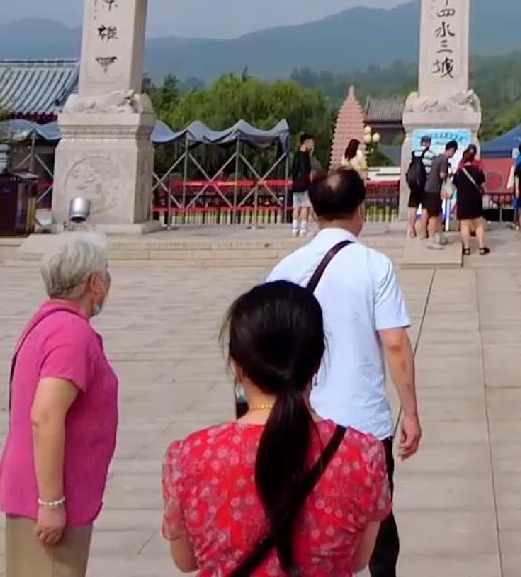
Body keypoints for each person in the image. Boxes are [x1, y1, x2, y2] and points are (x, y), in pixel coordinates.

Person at [161, 280, 394, 577]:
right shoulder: (362, 454)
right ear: (318, 360)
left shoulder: (191, 456)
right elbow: (359, 558)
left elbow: (186, 560)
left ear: (236, 364)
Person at [263, 168, 422, 577]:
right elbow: (395, 343)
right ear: (361, 210)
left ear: (314, 210)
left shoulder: (284, 269)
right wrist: (412, 413)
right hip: (363, 422)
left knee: (302, 517)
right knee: (377, 519)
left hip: (299, 418)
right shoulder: (374, 266)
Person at [1, 231, 120, 576]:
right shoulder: (71, 333)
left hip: (40, 489)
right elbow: (46, 416)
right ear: (93, 283)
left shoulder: (50, 323)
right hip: (49, 496)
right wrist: (51, 503)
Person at [452, 143, 488, 256]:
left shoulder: (458, 173)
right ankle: (482, 247)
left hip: (463, 200)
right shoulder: (477, 171)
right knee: (479, 224)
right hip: (476, 200)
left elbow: (454, 186)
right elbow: (483, 184)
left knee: (464, 225)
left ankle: (467, 248)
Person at [289, 133, 319, 237]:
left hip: (296, 184)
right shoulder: (304, 156)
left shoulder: (296, 155)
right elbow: (305, 171)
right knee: (305, 206)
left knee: (296, 207)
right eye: (310, 142)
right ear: (306, 142)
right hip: (304, 184)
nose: (312, 145)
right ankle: (303, 229)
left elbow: (293, 170)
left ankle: (294, 229)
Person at [404, 146, 431, 241]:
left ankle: (411, 229)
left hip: (414, 185)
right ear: (429, 144)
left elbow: (408, 169)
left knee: (412, 207)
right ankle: (423, 231)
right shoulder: (430, 154)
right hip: (425, 185)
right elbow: (431, 170)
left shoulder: (413, 153)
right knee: (425, 208)